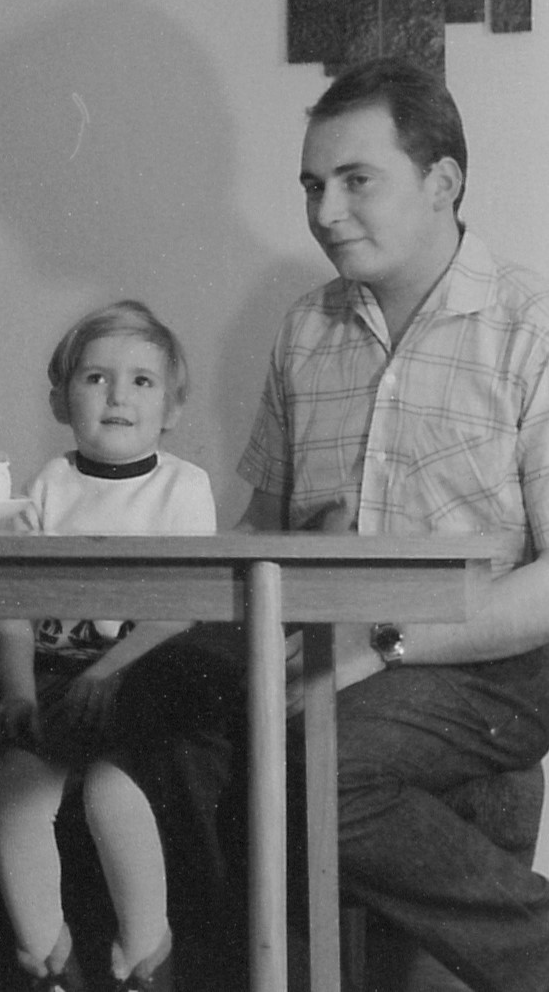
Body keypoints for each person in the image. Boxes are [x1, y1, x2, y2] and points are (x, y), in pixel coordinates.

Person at [124, 57, 549, 992]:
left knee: (315, 763)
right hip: (325, 644)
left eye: (356, 181)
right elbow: (262, 530)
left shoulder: (530, 327)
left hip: (492, 664)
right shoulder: (305, 329)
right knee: (156, 708)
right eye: (312, 186)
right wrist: (135, 649)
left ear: (442, 182)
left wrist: (379, 643)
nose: (324, 212)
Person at [0, 300, 216, 992]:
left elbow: (178, 612)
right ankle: (47, 957)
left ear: (171, 407)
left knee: (112, 790)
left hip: (140, 679)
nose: (117, 396)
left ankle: (146, 953)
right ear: (60, 400)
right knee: (15, 784)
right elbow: (13, 612)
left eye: (141, 381)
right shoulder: (45, 488)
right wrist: (18, 694)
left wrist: (107, 672)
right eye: (95, 378)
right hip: (54, 678)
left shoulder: (181, 487)